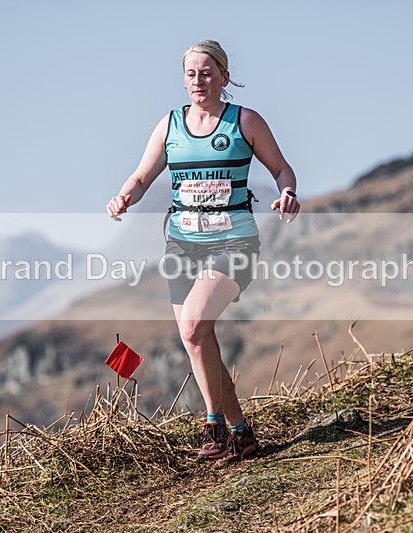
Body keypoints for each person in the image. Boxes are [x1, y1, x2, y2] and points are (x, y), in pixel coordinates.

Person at [106, 39, 299, 466]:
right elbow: (142, 176)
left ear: (224, 77)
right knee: (198, 340)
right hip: (181, 245)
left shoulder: (245, 121)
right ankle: (241, 433)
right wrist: (124, 196)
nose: (199, 81)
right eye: (191, 74)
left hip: (234, 242)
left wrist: (287, 192)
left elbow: (282, 168)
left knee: (193, 327)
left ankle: (213, 424)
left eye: (207, 73)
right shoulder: (170, 125)